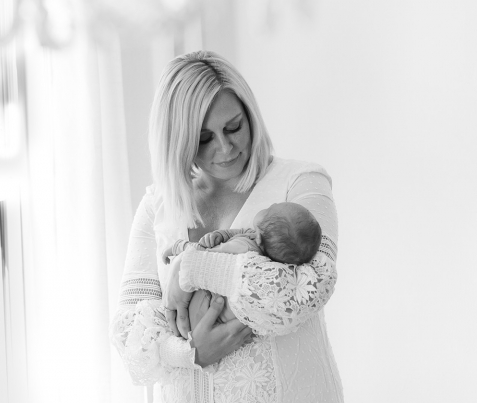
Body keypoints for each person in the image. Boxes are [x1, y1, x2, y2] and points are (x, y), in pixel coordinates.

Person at [110, 51, 342, 403]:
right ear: (178, 141)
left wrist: (192, 267)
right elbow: (129, 335)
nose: (226, 147)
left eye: (234, 127)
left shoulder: (300, 184)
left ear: (251, 116)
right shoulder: (157, 206)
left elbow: (307, 289)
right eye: (204, 138)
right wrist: (190, 353)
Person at [163, 202, 323, 328]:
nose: (272, 204)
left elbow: (200, 256)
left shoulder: (243, 248)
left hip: (199, 312)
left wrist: (179, 247)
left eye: (269, 210)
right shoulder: (261, 249)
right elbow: (242, 232)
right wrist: (221, 235)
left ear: (258, 237)